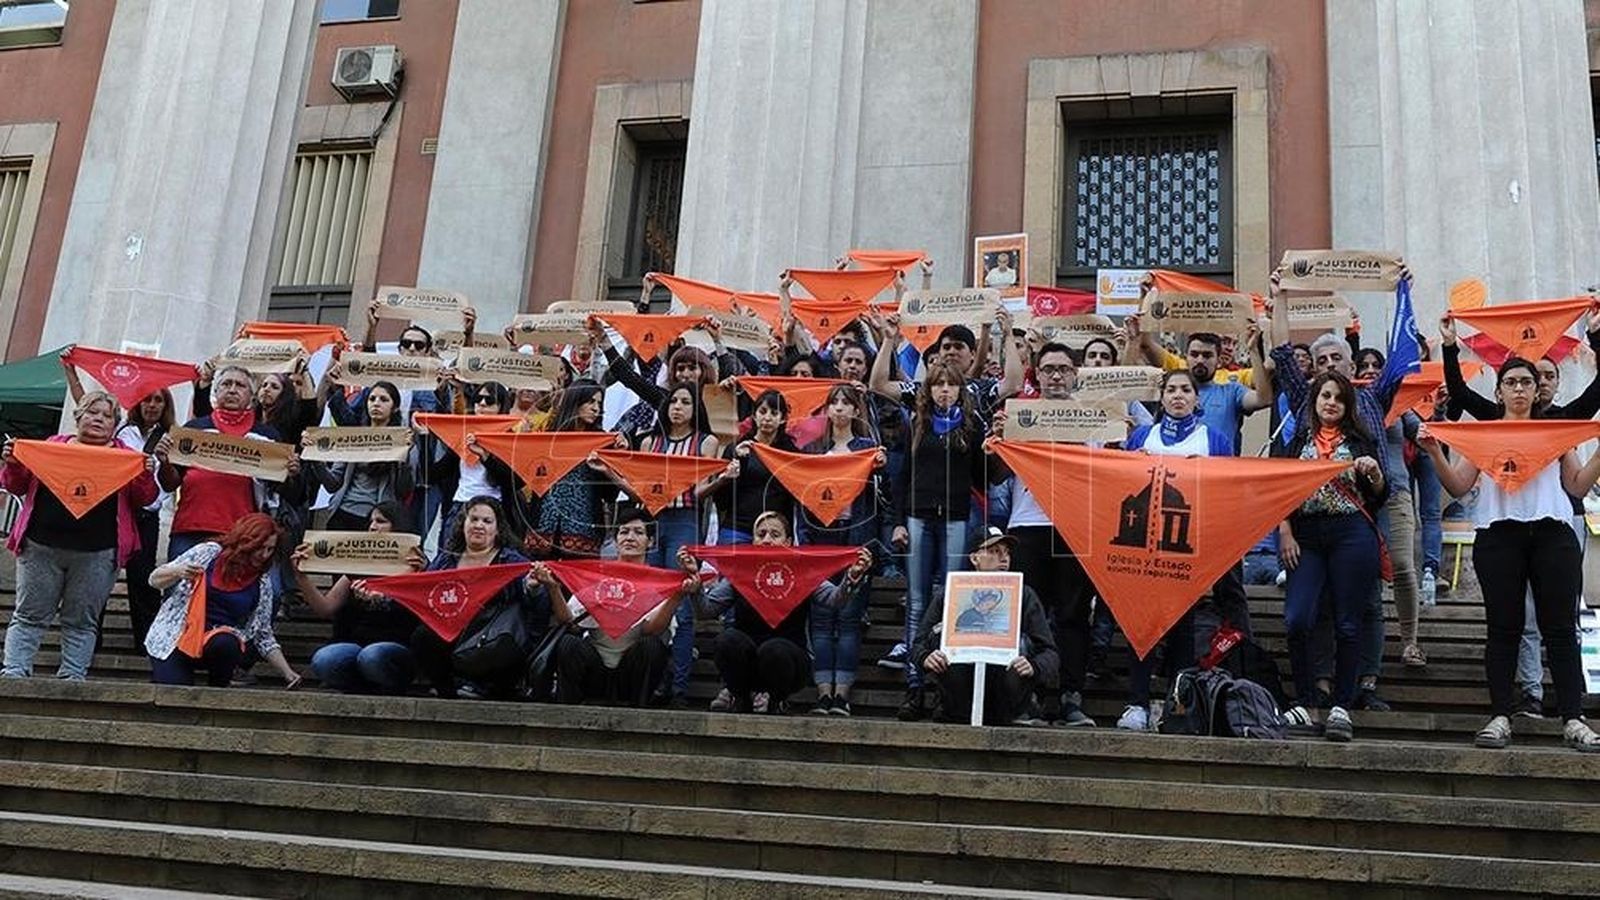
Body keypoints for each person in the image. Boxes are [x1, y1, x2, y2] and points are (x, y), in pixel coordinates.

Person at [1417, 358, 1600, 752]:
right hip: (1499, 535)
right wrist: (1434, 454)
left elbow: (1577, 485)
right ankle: (1500, 715)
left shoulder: (1554, 431)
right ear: (1498, 391)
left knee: (1561, 629)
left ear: (1537, 391)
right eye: (1511, 382)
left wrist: (1598, 457)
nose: (1519, 389)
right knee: (1503, 628)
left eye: (1526, 382)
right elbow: (1459, 485)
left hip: (1553, 533)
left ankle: (1573, 718)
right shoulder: (1485, 433)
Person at [0, 392, 159, 680]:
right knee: (29, 615)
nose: (98, 419)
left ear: (115, 424)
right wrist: (13, 463)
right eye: (92, 412)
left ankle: (73, 678)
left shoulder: (127, 456)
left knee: (82, 621)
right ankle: (14, 673)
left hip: (98, 552)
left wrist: (144, 474)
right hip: (40, 547)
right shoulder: (50, 447)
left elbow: (144, 499)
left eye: (106, 416)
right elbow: (16, 486)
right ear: (78, 417)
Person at [985, 342, 1103, 727]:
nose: (1056, 376)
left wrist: (1121, 438)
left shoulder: (1096, 418)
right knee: (1024, 617)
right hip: (1028, 527)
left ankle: (1070, 697)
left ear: (1075, 374)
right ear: (1037, 374)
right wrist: (999, 444)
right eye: (1048, 369)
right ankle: (1027, 697)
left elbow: (1109, 472)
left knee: (1073, 617)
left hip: (1076, 529)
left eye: (1063, 369)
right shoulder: (1020, 415)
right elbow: (996, 478)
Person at [1117, 369, 1233, 731]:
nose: (1178, 395)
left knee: (1184, 628)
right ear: (1162, 396)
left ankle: (1177, 706)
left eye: (1185, 390)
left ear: (1197, 398)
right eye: (1171, 390)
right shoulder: (1142, 436)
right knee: (1142, 626)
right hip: (1144, 546)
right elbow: (1121, 487)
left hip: (1189, 547)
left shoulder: (1214, 439)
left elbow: (1228, 495)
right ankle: (1136, 704)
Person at [1278, 372, 1389, 743]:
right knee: (1297, 618)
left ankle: (1342, 705)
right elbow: (1278, 490)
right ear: (1315, 400)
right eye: (1326, 396)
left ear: (1348, 406)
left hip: (1351, 533)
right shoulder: (1297, 441)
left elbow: (1380, 494)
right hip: (1306, 535)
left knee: (1348, 623)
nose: (1331, 403)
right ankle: (1307, 702)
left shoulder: (1360, 441)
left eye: (1339, 398)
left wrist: (1374, 474)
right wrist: (1285, 531)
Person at [878, 362, 988, 720]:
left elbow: (984, 479)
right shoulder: (917, 424)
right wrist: (897, 522)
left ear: (960, 390)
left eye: (951, 385)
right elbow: (901, 477)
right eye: (938, 384)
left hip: (956, 517)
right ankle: (915, 686)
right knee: (917, 600)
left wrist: (992, 451)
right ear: (928, 390)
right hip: (918, 515)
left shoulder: (972, 427)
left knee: (952, 600)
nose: (944, 390)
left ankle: (943, 686)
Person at [679, 512, 871, 715]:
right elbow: (706, 611)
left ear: (788, 542)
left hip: (790, 662)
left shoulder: (801, 570)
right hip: (749, 661)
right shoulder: (742, 571)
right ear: (753, 541)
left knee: (774, 650)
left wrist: (851, 578)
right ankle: (741, 698)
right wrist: (696, 588)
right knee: (726, 640)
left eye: (775, 534)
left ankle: (777, 701)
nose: (767, 540)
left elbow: (834, 599)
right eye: (761, 534)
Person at [533, 506, 692, 706]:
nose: (630, 538)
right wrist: (553, 588)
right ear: (616, 541)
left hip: (632, 670)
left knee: (651, 646)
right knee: (568, 643)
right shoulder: (597, 575)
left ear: (650, 542)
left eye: (638, 532)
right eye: (624, 532)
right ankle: (568, 711)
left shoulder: (657, 581)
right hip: (595, 668)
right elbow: (569, 620)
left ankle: (640, 712)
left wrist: (677, 596)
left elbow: (653, 629)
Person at [622, 380, 719, 706]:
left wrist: (720, 481)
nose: (678, 407)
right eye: (674, 401)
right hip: (653, 522)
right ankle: (651, 682)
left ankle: (677, 688)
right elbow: (640, 489)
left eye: (685, 402)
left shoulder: (706, 442)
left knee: (682, 606)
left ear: (696, 408)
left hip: (685, 520)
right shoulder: (650, 441)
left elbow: (701, 491)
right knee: (649, 603)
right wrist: (611, 473)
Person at [155, 365, 306, 562]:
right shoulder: (193, 429)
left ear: (252, 396)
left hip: (243, 536)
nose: (232, 389)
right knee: (179, 583)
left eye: (240, 385)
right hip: (189, 530)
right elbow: (169, 484)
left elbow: (290, 493)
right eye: (226, 384)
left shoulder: (267, 437)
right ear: (216, 392)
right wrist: (164, 463)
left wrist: (292, 474)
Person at [911, 527, 1058, 725]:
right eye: (994, 551)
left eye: (1006, 552)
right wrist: (926, 657)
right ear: (974, 558)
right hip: (959, 699)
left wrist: (1034, 666)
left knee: (1022, 643)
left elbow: (1050, 652)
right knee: (940, 634)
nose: (1004, 558)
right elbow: (918, 644)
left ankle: (1019, 710)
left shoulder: (1025, 595)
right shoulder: (949, 594)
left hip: (1007, 700)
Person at [408, 496, 549, 699]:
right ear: (462, 524)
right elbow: (425, 594)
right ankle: (448, 693)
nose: (479, 525)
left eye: (487, 521)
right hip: (454, 635)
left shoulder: (511, 560)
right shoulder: (447, 559)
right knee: (423, 636)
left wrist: (532, 587)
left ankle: (485, 688)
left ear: (498, 529)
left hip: (493, 640)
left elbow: (536, 606)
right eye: (473, 519)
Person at [801, 383, 886, 716]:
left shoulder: (867, 448)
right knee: (821, 620)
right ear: (826, 410)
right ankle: (823, 694)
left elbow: (883, 497)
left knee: (849, 619)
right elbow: (800, 495)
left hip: (855, 537)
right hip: (820, 538)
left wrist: (879, 469)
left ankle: (842, 696)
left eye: (845, 402)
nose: (838, 408)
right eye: (833, 402)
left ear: (855, 410)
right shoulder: (812, 450)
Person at [144, 513, 302, 688]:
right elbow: (154, 580)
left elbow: (263, 634)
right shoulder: (209, 553)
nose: (264, 555)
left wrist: (287, 672)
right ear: (245, 542)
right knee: (174, 691)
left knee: (227, 643)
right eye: (260, 547)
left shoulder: (262, 582)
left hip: (217, 641)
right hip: (175, 638)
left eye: (270, 549)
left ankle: (218, 690)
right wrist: (177, 571)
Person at [292, 501, 426, 695]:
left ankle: (389, 685)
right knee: (324, 660)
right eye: (371, 521)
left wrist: (387, 597)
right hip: (356, 646)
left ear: (398, 525)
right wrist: (300, 576)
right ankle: (361, 687)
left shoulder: (416, 566)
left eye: (381, 521)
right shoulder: (357, 566)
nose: (373, 527)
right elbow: (325, 608)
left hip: (396, 648)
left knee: (372, 656)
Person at [525, 379, 617, 559]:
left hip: (584, 530)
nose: (596, 408)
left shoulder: (602, 442)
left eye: (599, 403)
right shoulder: (548, 437)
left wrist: (608, 466)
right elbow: (528, 476)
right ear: (575, 401)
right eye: (590, 402)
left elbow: (610, 494)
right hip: (544, 525)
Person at [306, 380, 414, 531]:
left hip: (377, 520)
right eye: (372, 399)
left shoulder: (403, 441)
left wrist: (404, 457)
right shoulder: (353, 437)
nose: (376, 404)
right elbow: (333, 484)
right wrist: (314, 459)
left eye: (384, 400)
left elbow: (403, 490)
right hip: (343, 513)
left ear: (395, 408)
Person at [114, 387, 176, 648]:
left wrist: (165, 460)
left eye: (158, 400)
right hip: (118, 512)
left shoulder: (171, 437)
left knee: (143, 578)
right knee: (102, 573)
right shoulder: (121, 432)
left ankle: (146, 640)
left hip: (148, 514)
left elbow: (172, 483)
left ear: (165, 405)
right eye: (147, 399)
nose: (152, 405)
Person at [705, 389, 796, 544]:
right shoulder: (736, 448)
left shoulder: (791, 454)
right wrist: (741, 462)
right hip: (737, 529)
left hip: (775, 534)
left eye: (774, 413)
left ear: (783, 419)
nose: (767, 418)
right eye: (762, 411)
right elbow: (721, 499)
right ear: (754, 415)